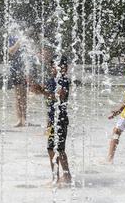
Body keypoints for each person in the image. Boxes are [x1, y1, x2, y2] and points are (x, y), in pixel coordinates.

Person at [31, 55, 72, 186]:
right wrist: (35, 87)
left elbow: (60, 96)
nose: (55, 68)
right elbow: (43, 91)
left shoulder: (64, 80)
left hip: (60, 119)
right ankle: (58, 176)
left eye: (58, 66)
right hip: (53, 120)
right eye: (53, 66)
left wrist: (42, 92)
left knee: (58, 149)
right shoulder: (51, 80)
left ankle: (64, 176)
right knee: (51, 149)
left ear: (64, 68)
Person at [8, 35, 29, 127]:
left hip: (25, 69)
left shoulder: (26, 38)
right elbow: (10, 52)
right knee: (18, 96)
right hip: (16, 69)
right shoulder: (11, 37)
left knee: (24, 95)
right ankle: (19, 119)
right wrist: (18, 42)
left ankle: (24, 118)